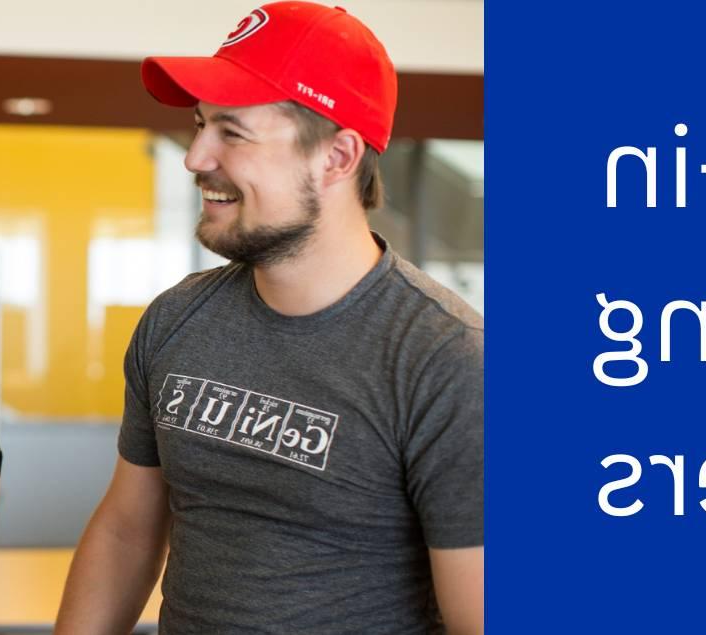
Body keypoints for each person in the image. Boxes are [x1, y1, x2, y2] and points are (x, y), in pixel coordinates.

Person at [54, 2, 484, 633]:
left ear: (336, 158)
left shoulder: (446, 359)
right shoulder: (178, 319)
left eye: (232, 131)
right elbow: (126, 532)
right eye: (200, 125)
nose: (196, 156)